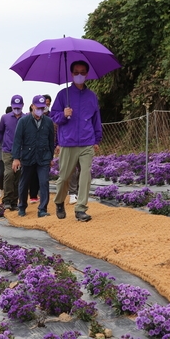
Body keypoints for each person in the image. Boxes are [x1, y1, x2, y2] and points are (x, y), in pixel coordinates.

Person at [51, 60, 102, 222]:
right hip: (68, 142)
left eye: (82, 72)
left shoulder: (92, 96)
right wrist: (63, 115)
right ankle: (59, 201)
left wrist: (97, 139)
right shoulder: (62, 95)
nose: (79, 75)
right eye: (76, 72)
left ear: (86, 74)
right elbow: (54, 117)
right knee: (64, 177)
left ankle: (80, 209)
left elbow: (96, 119)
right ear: (71, 74)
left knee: (85, 176)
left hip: (87, 142)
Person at [12, 95, 55, 217]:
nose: (40, 110)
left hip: (43, 157)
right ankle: (22, 207)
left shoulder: (48, 122)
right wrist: (16, 158)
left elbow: (51, 140)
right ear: (32, 106)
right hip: (28, 157)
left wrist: (50, 157)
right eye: (38, 107)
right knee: (24, 183)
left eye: (43, 108)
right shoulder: (23, 121)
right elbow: (17, 141)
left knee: (44, 182)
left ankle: (42, 209)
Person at [0, 95, 24, 210]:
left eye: (19, 107)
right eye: (15, 107)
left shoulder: (25, 118)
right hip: (7, 151)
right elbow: (0, 132)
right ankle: (6, 199)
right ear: (11, 106)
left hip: (21, 152)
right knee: (9, 174)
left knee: (18, 176)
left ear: (22, 106)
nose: (17, 109)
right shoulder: (5, 118)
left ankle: (14, 201)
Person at [0, 106, 12, 200]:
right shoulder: (1, 125)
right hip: (3, 151)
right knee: (2, 171)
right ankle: (1, 189)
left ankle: (9, 191)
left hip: (13, 151)